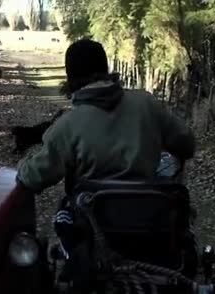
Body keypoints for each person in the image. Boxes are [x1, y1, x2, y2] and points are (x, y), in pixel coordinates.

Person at [15, 38, 195, 262]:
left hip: (92, 233)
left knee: (63, 224)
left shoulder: (67, 125)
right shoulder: (146, 104)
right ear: (106, 69)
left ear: (70, 80)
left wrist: (23, 165)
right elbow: (187, 144)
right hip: (151, 223)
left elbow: (33, 177)